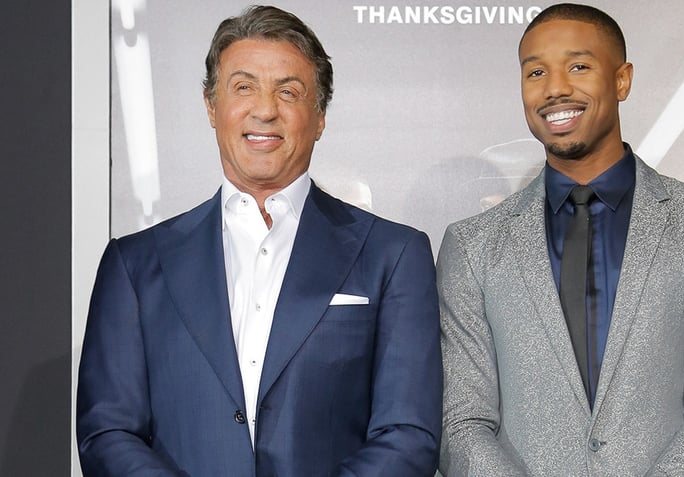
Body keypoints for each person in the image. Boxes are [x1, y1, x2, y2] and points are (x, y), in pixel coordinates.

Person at [76, 6, 441, 476]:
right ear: (211, 106)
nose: (265, 109)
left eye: (288, 91)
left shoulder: (394, 254)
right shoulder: (134, 263)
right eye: (243, 87)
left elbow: (408, 436)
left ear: (320, 115)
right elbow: (107, 432)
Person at [438, 3, 684, 476]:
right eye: (535, 72)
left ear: (622, 80)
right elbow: (462, 421)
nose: (555, 89)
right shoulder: (472, 246)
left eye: (578, 66)